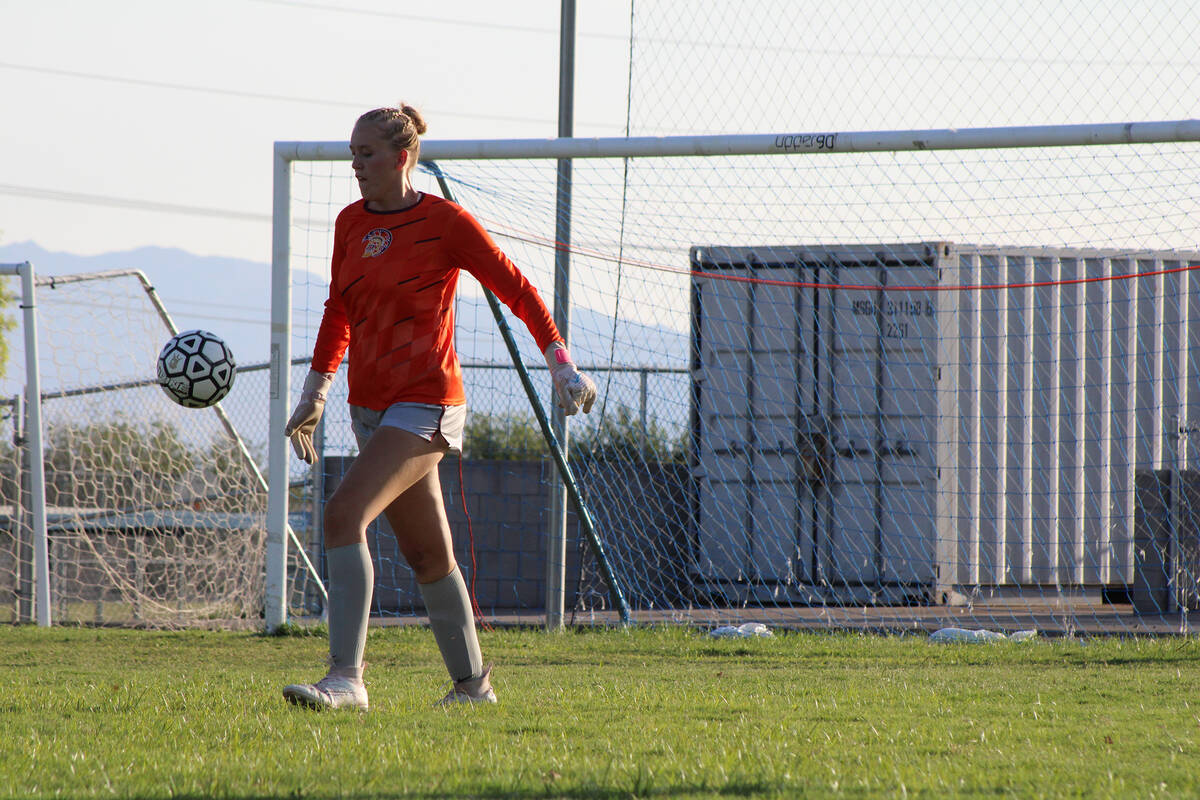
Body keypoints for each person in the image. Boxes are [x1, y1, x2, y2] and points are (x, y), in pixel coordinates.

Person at [281, 105, 597, 711]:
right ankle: (473, 688)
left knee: (343, 515)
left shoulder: (446, 222)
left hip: (428, 402)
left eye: (367, 154)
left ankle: (346, 679)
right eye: (352, 154)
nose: (355, 165)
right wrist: (315, 393)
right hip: (369, 407)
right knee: (428, 555)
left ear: (402, 157)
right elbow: (338, 310)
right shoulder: (350, 223)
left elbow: (517, 289)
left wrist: (560, 362)